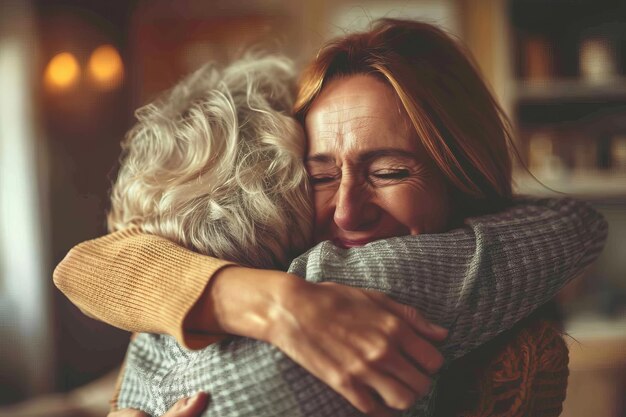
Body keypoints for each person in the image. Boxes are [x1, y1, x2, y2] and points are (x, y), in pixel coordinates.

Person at [54, 19, 607, 417]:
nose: (346, 210)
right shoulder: (271, 255)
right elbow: (86, 268)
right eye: (319, 176)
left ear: (461, 174)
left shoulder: (441, 274)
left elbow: (575, 221)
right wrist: (275, 304)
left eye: (390, 172)